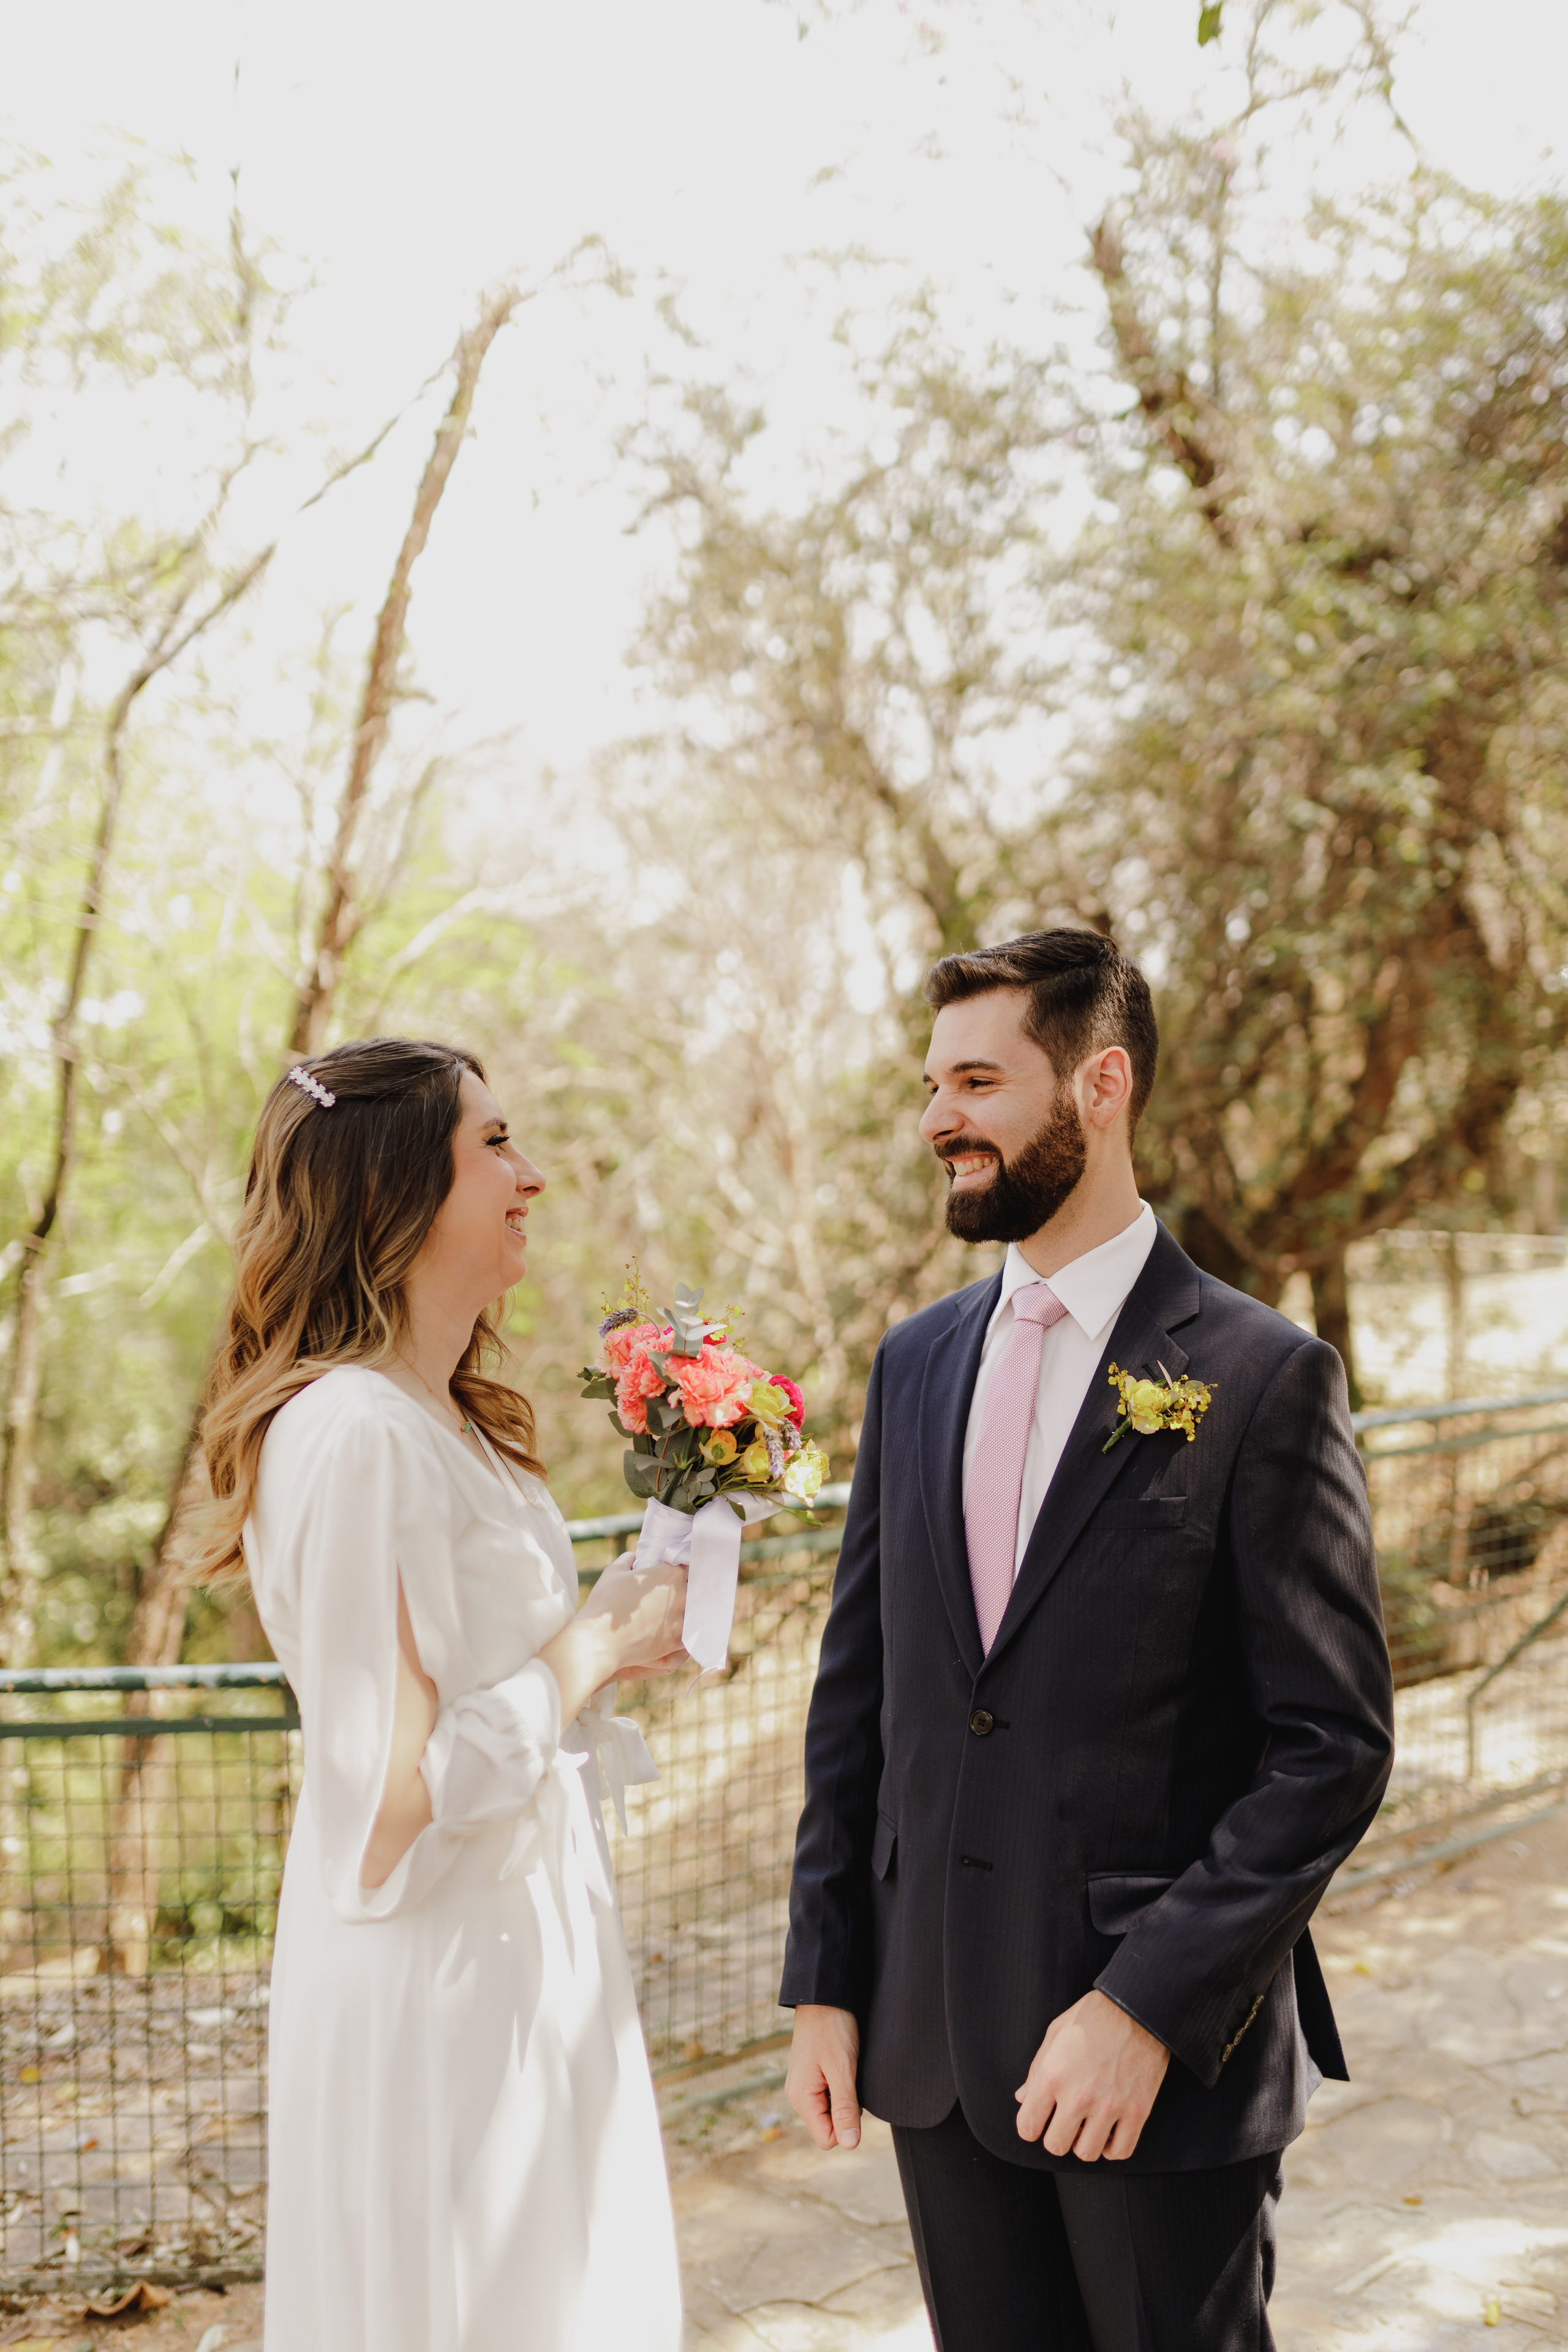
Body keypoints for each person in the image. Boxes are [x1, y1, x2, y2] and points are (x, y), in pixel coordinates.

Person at [780, 930, 1395, 2352]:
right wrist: (826, 1976)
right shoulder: (914, 1363)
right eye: (931, 1085)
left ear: (1098, 1084)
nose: (939, 1118)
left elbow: (1331, 1747)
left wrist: (1142, 2004)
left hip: (1152, 2069)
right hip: (932, 2037)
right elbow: (860, 1694)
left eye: (978, 1081)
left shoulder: (1260, 1375)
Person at [195, 1038, 686, 2352]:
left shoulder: (449, 1419)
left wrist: (622, 1636)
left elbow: (489, 1682)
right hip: (444, 1984)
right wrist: (586, 1656)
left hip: (526, 1944)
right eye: (493, 1146)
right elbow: (392, 1801)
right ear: (395, 1193)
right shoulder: (352, 1435)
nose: (529, 1175)